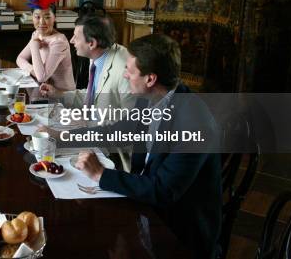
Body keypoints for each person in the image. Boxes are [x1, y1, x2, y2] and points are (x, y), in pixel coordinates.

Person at [73, 34, 221, 259]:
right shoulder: (150, 97)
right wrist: (65, 137)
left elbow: (163, 191)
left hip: (178, 233)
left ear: (150, 78)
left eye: (130, 71)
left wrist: (100, 174)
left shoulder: (195, 122)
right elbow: (119, 131)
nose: (124, 75)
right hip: (146, 209)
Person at [40, 14, 132, 118]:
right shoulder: (97, 55)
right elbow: (93, 97)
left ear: (92, 43)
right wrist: (58, 94)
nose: (71, 40)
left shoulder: (126, 71)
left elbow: (129, 121)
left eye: (76, 37)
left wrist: (76, 132)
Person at [16, 0, 75, 91]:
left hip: (63, 97)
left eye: (47, 17)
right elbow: (20, 59)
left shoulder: (59, 41)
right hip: (44, 91)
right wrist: (34, 70)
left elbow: (42, 77)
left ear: (54, 18)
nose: (42, 22)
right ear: (32, 17)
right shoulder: (37, 34)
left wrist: (34, 45)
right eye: (37, 17)